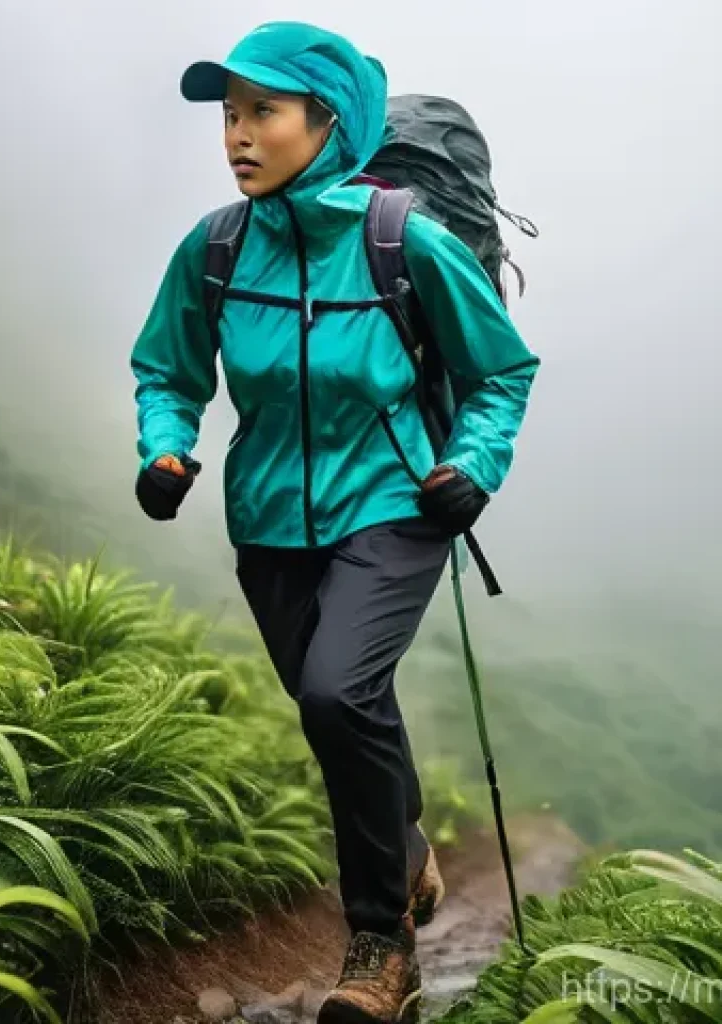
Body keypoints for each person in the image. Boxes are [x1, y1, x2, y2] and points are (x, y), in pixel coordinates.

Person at [129, 20, 538, 1024]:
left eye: (262, 112)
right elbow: (165, 368)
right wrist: (164, 443)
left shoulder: (403, 241)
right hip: (266, 517)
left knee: (333, 689)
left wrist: (472, 467)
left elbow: (501, 372)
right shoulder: (216, 248)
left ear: (327, 122)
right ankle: (404, 849)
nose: (237, 134)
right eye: (228, 115)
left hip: (396, 504)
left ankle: (378, 951)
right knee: (338, 708)